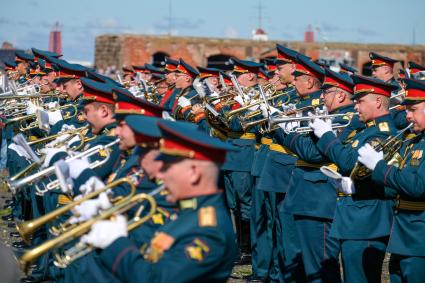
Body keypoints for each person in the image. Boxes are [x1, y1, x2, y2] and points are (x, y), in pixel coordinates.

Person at [81, 119, 238, 283]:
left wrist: (114, 243)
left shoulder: (209, 232)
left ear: (193, 173)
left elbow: (153, 279)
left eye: (167, 167)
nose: (159, 175)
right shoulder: (189, 212)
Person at [309, 74, 398, 283]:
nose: (355, 106)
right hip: (355, 215)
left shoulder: (381, 132)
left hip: (367, 219)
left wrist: (327, 136)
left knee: (361, 277)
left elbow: (349, 162)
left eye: (360, 101)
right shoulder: (365, 130)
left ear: (377, 101)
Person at [357, 78, 425, 283]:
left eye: (413, 109)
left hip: (419, 238)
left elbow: (417, 187)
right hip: (404, 235)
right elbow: (396, 185)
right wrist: (360, 186)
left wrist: (379, 167)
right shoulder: (412, 141)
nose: (407, 115)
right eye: (406, 110)